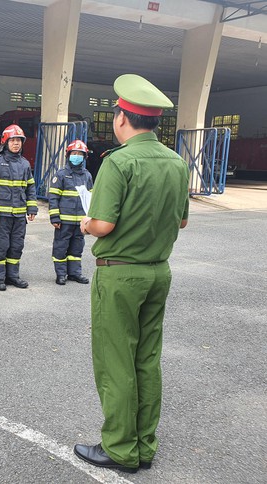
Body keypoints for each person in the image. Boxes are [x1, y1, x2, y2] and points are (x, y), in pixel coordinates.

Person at [74, 74, 190, 473]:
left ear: (122, 119)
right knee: (147, 358)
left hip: (121, 274)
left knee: (116, 360)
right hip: (158, 272)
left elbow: (103, 224)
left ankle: (121, 449)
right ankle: (145, 445)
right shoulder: (176, 162)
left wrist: (86, 224)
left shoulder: (119, 161)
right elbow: (183, 222)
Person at [0, 124, 37, 291]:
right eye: (13, 140)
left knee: (16, 246)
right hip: (2, 216)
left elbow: (30, 188)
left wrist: (32, 208)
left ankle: (12, 276)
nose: (16, 144)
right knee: (1, 246)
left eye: (19, 141)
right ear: (5, 142)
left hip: (19, 215)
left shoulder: (25, 164)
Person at [49, 139, 93, 285]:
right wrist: (55, 217)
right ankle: (61, 274)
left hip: (81, 222)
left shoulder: (87, 175)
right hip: (64, 221)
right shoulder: (61, 175)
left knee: (77, 248)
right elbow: (53, 197)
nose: (77, 156)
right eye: (74, 153)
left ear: (84, 157)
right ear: (68, 155)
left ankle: (75, 273)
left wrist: (90, 218)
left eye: (80, 154)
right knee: (61, 247)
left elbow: (91, 199)